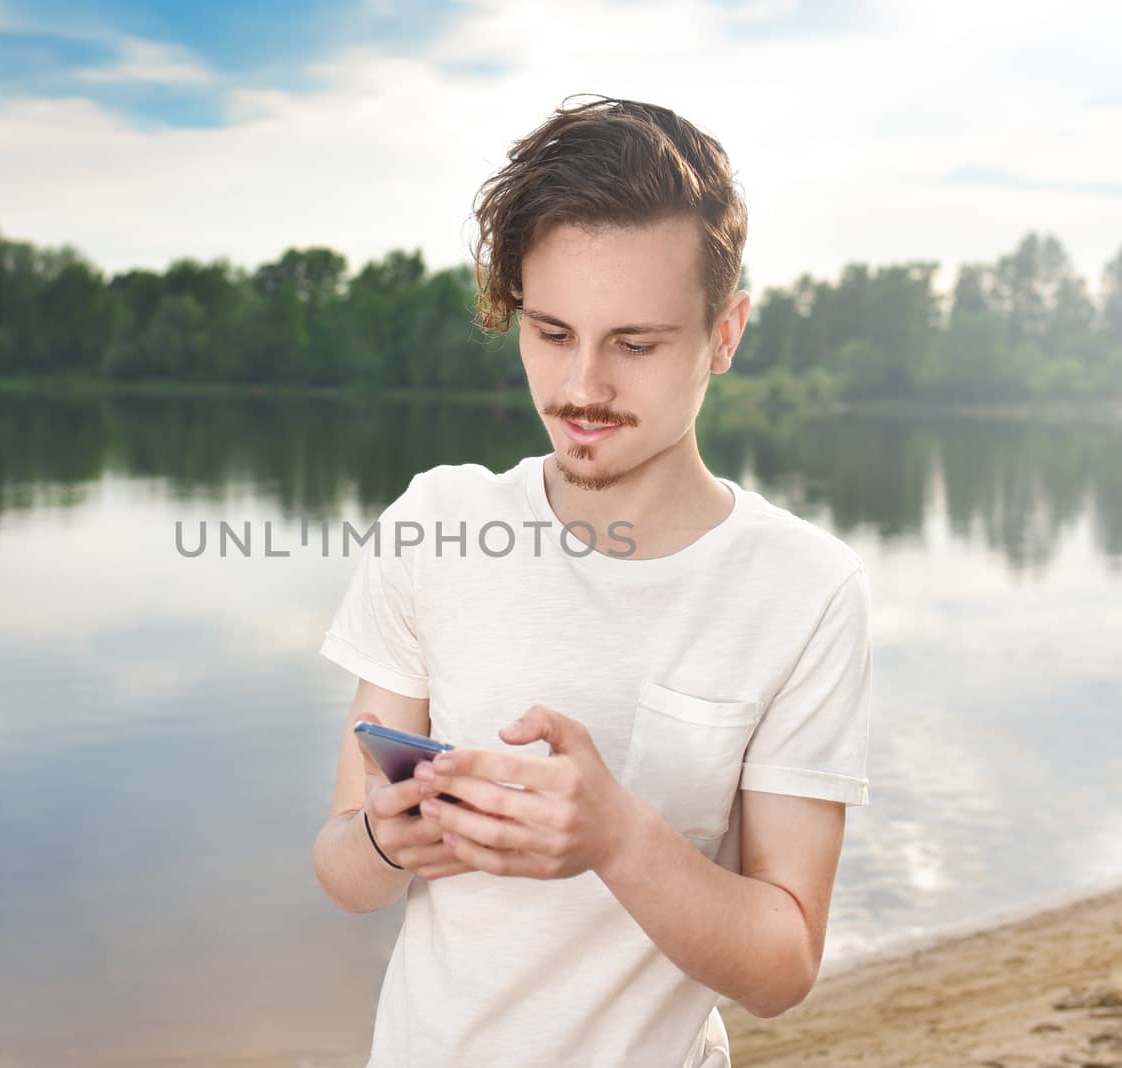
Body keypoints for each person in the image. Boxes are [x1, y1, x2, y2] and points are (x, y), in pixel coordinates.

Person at [309, 94, 872, 1068]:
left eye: (636, 344)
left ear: (725, 332)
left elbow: (783, 967)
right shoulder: (434, 524)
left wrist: (616, 838)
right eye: (552, 332)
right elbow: (341, 870)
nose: (581, 388)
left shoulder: (806, 590)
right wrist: (390, 840)